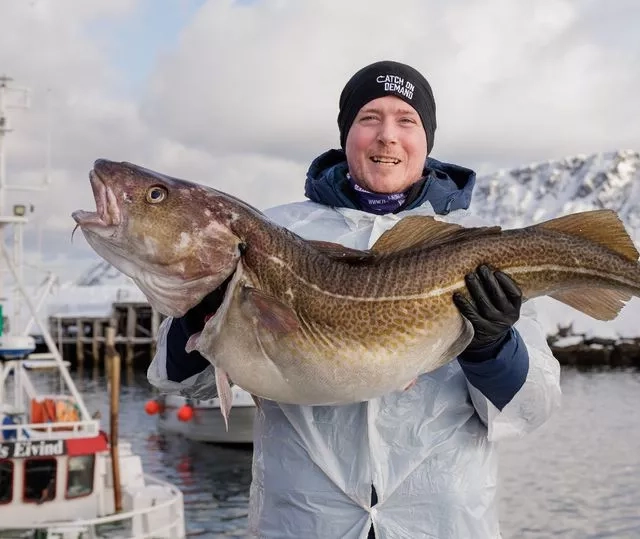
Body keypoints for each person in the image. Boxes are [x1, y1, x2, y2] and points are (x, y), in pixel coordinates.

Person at [148, 60, 562, 538]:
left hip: (443, 522)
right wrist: (202, 312)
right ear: (346, 134)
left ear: (426, 139)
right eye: (369, 118)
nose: (387, 135)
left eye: (406, 121)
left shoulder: (473, 250)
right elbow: (179, 381)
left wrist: (492, 345)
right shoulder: (269, 236)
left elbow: (532, 408)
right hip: (302, 522)